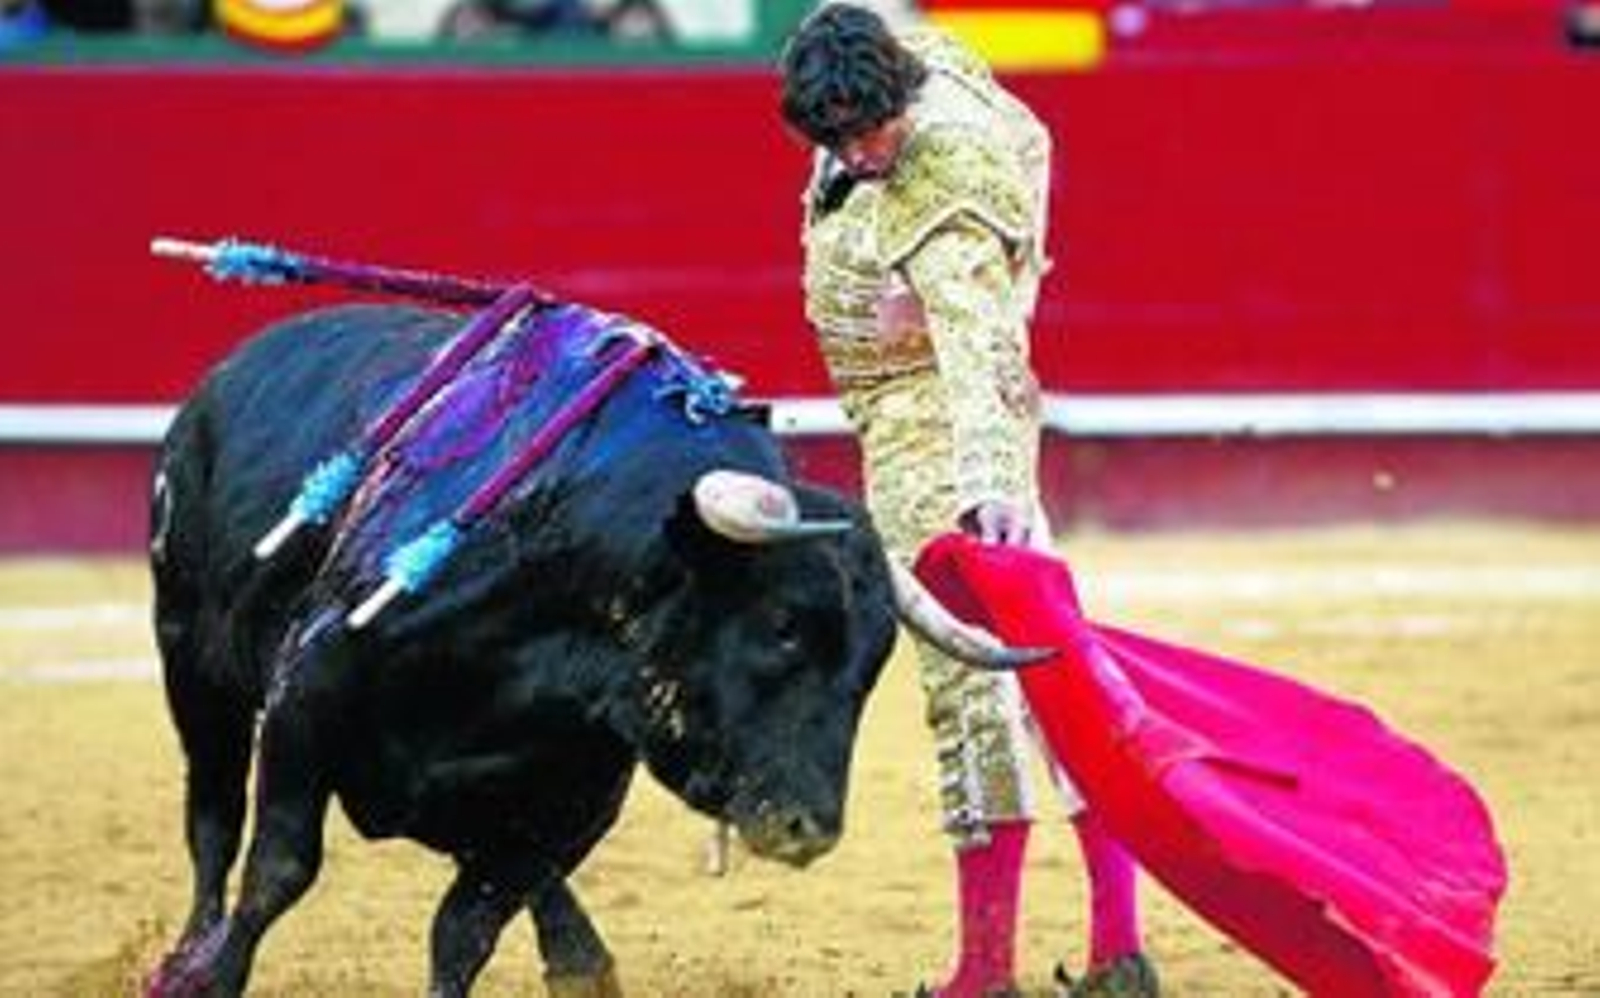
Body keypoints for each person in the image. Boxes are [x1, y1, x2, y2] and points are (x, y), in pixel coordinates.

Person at [778, 5, 1158, 996]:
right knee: (1047, 681)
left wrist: (985, 482)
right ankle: (1118, 949)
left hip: (933, 436)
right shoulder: (924, 63)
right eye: (838, 138)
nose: (862, 153)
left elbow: (979, 346)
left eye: (872, 131)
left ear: (897, 98)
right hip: (913, 423)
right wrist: (1022, 256)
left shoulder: (935, 176)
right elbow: (1034, 138)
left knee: (970, 690)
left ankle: (984, 971)